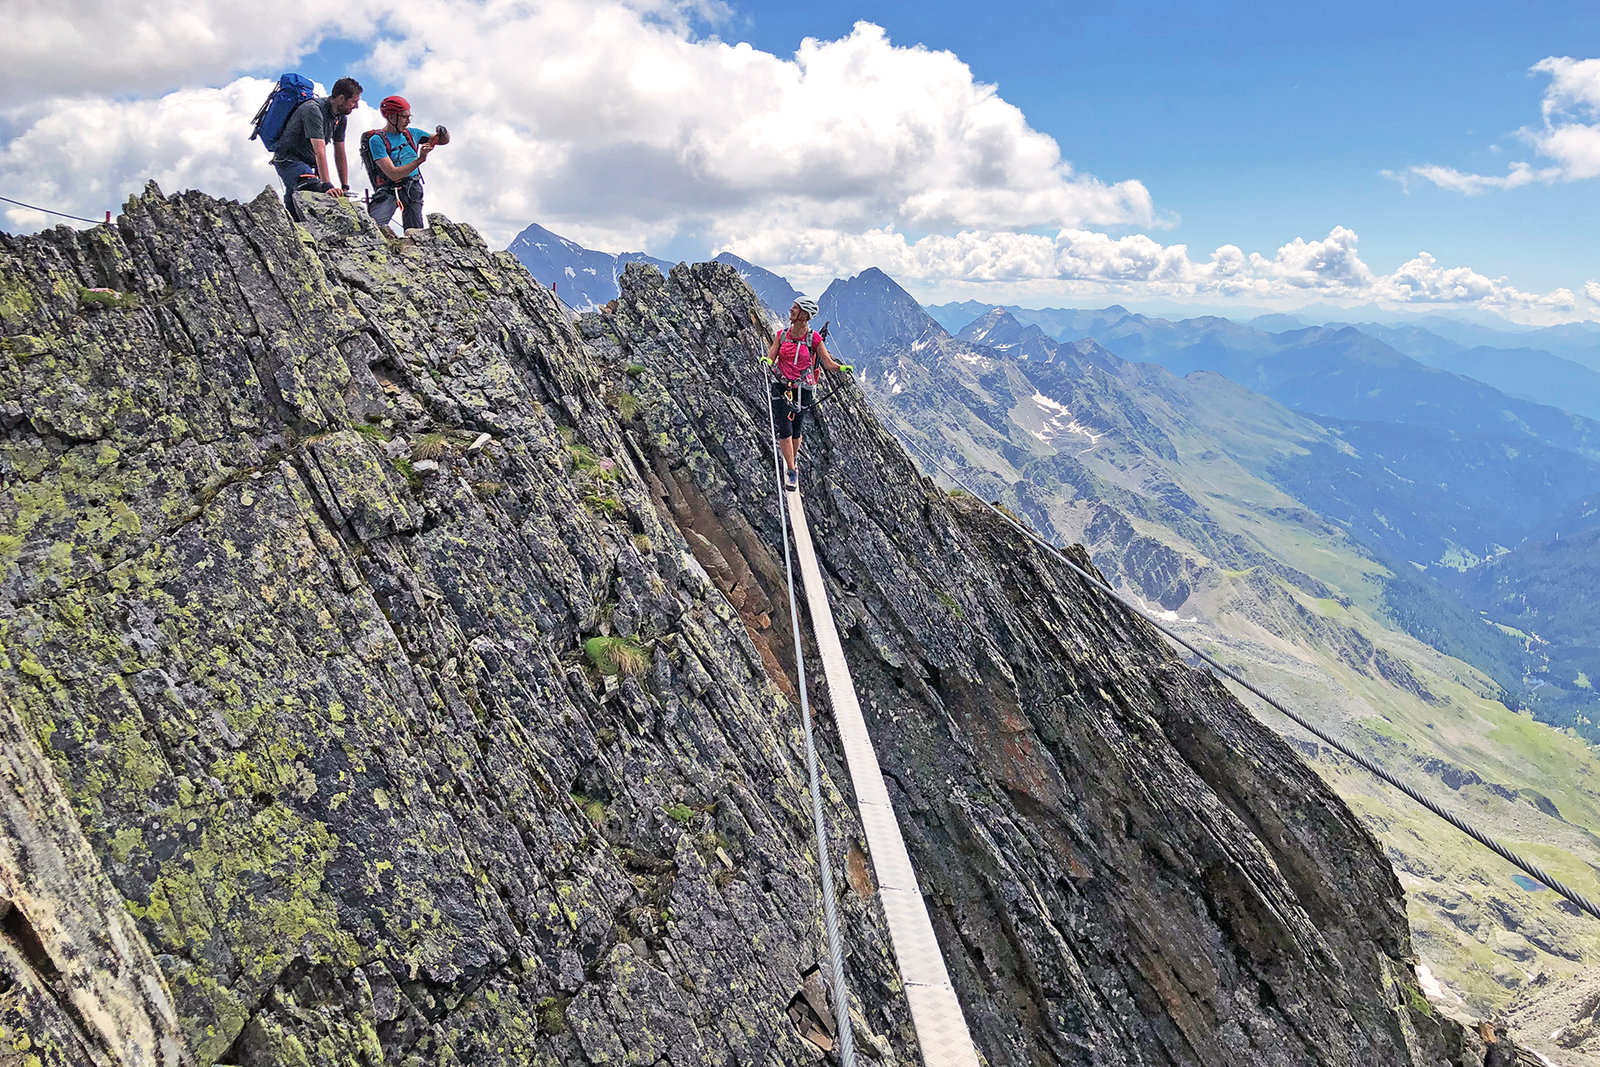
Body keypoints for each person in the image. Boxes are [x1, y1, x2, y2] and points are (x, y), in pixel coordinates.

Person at [765, 296, 848, 490]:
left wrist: (842, 369)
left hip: (803, 389)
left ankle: (791, 460)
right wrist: (765, 362)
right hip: (781, 385)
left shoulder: (814, 339)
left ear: (805, 315)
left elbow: (827, 363)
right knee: (784, 429)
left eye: (795, 308)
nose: (791, 310)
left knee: (796, 429)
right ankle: (792, 470)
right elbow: (771, 356)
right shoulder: (782, 335)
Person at [272, 77, 362, 220]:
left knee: (294, 210)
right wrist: (326, 185)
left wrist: (345, 187)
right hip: (288, 160)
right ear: (341, 98)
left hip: (308, 164)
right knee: (313, 188)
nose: (356, 106)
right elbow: (319, 150)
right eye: (354, 102)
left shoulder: (340, 118)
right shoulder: (313, 110)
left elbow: (340, 152)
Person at [365, 96, 449, 232]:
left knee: (415, 232)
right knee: (372, 231)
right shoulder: (377, 140)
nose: (408, 121)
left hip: (412, 187)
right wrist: (420, 159)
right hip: (389, 188)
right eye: (404, 117)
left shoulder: (413, 134)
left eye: (409, 116)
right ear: (391, 117)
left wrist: (444, 133)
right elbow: (392, 174)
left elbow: (442, 140)